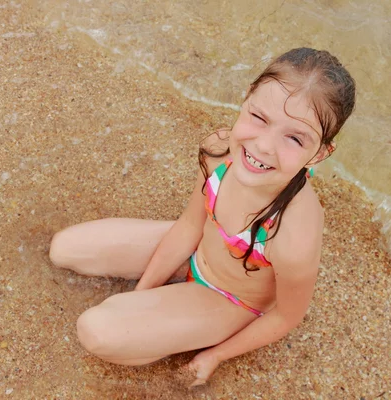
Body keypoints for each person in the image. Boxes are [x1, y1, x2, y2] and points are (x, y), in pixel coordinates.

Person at [49, 47, 356, 387]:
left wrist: (216, 355)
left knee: (96, 332)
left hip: (230, 300)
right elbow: (189, 227)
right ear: (246, 98)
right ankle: (164, 317)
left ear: (320, 154)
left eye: (295, 138)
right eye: (259, 117)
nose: (264, 146)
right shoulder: (219, 152)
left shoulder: (294, 230)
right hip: (199, 252)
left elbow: (287, 315)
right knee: (63, 248)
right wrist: (143, 290)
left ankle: (179, 330)